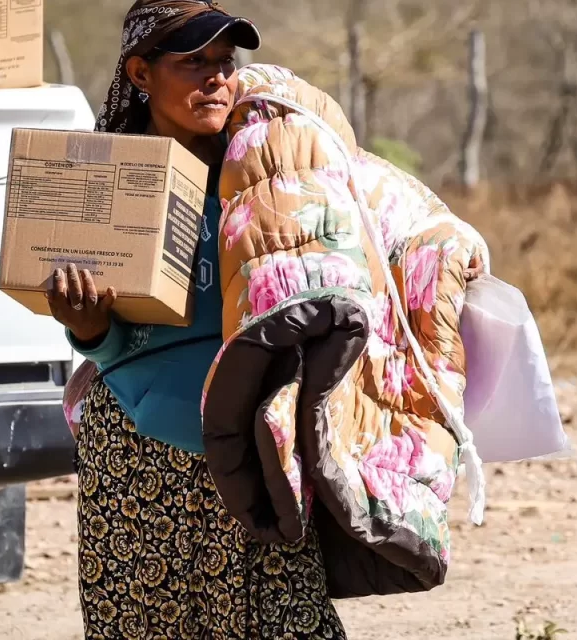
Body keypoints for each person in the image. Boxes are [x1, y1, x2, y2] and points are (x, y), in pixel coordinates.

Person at [45, 1, 346, 637]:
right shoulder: (108, 181)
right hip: (141, 451)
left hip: (257, 440)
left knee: (287, 622)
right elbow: (108, 341)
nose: (216, 78)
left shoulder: (265, 170)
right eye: (192, 63)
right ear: (141, 74)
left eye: (224, 63)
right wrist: (88, 329)